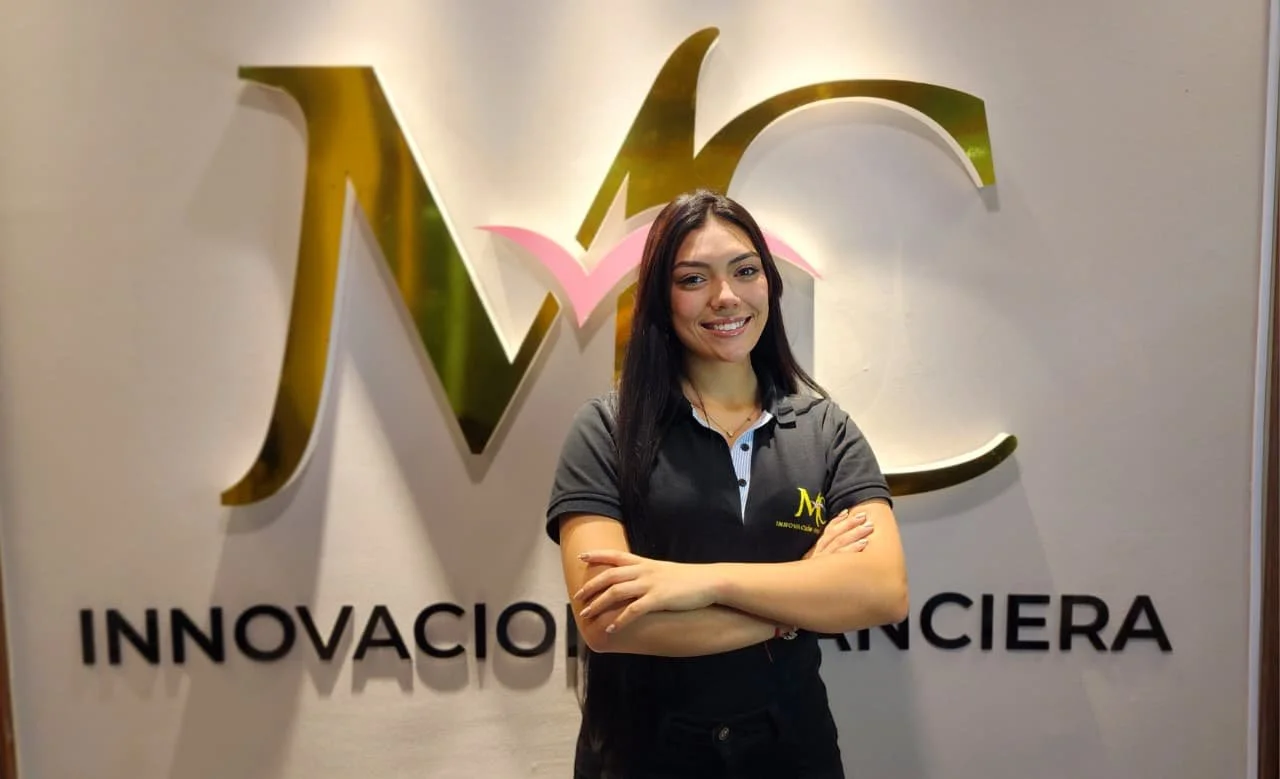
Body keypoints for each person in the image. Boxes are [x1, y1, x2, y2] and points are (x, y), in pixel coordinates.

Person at [544, 189, 909, 778]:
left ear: (770, 283)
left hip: (791, 750)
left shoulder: (825, 431)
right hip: (643, 753)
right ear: (661, 299)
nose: (726, 297)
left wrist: (699, 582)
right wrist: (800, 605)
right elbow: (609, 621)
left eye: (745, 271)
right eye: (693, 279)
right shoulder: (606, 430)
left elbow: (882, 592)